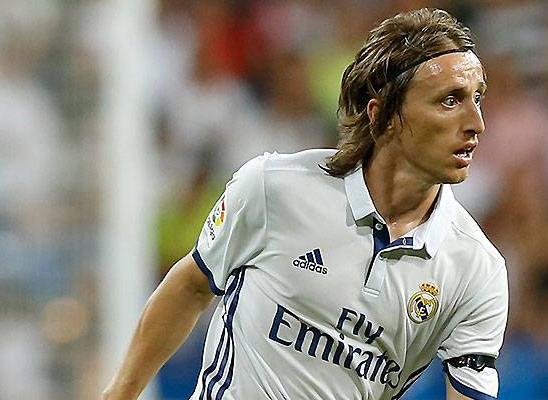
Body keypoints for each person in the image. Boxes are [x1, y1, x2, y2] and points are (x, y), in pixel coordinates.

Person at [103, 8, 508, 400]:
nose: (476, 123)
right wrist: (120, 393)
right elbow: (192, 284)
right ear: (383, 114)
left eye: (477, 98)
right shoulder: (275, 188)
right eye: (450, 100)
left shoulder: (477, 268)